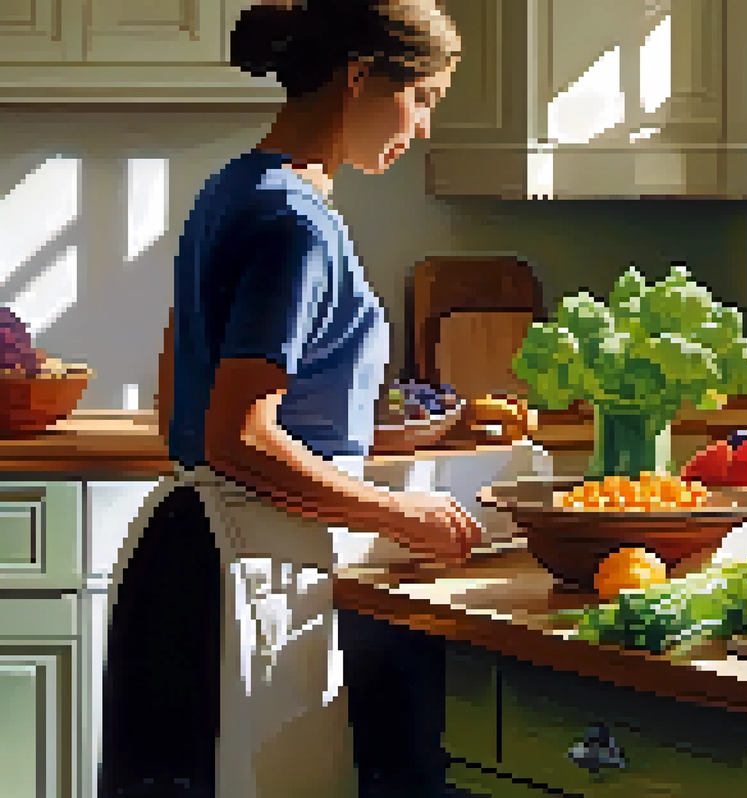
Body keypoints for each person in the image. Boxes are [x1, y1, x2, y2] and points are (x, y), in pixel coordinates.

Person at [98, 2, 483, 796]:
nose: (424, 128)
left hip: (183, 550)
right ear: (358, 78)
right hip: (243, 562)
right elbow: (237, 436)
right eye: (424, 99)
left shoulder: (234, 189)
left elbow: (183, 394)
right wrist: (398, 513)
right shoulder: (295, 223)